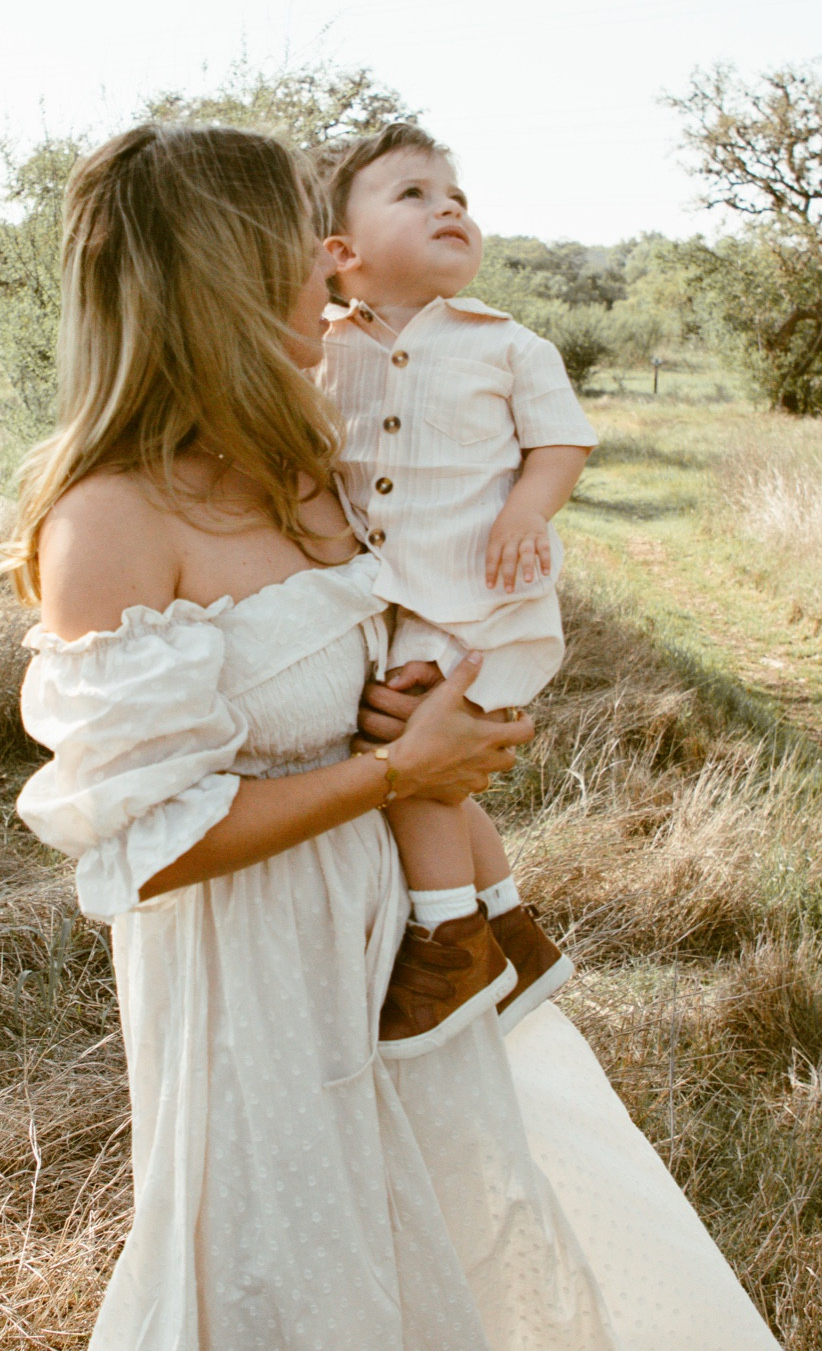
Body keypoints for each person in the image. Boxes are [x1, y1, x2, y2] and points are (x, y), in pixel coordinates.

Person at [11, 120, 783, 1351]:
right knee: (291, 1281)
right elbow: (141, 846)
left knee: (472, 1245)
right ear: (234, 273)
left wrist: (440, 714)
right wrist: (393, 768)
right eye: (299, 252)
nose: (328, 272)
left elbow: (443, 610)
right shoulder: (111, 520)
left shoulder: (311, 461)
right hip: (253, 980)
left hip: (404, 952)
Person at [316, 121, 591, 1056]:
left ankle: (449, 939)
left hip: (477, 601)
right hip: (388, 600)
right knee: (424, 757)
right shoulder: (319, 348)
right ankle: (513, 928)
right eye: (414, 195)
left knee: (408, 764)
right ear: (340, 253)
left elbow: (561, 443)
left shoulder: (508, 345)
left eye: (457, 198)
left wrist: (527, 513)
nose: (449, 209)